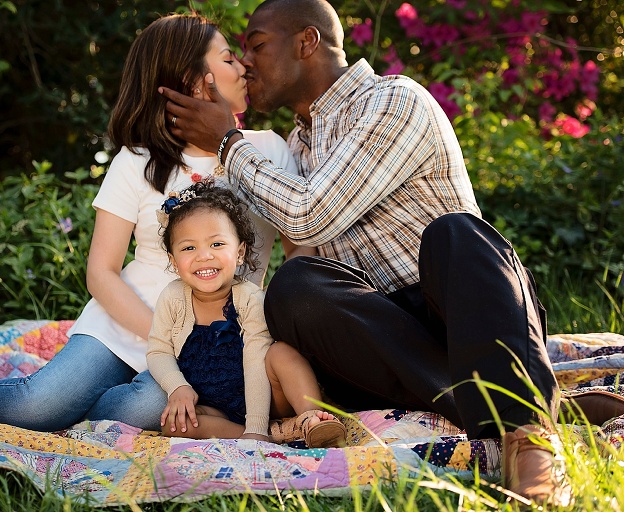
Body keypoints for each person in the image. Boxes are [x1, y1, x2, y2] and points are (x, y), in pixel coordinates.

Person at [158, 0, 624, 504]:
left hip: (471, 314)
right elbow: (303, 250)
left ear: (306, 42)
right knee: (293, 289)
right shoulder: (295, 144)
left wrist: (228, 139)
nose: (246, 62)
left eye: (257, 45)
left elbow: (308, 213)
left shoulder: (394, 102)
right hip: (384, 340)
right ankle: (535, 400)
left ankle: (531, 441)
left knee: (457, 233)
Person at [0, 14, 301, 436]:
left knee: (137, 411)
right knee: (41, 403)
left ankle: (71, 416)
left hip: (212, 347)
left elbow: (297, 256)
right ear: (192, 82)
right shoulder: (140, 161)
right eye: (227, 59)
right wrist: (166, 336)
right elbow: (101, 272)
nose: (242, 66)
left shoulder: (267, 151)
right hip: (125, 325)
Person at [147, 180, 346, 448]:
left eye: (217, 244)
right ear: (173, 260)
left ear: (239, 252)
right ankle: (266, 435)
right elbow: (159, 351)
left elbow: (255, 362)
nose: (204, 256)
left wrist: (257, 424)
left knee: (282, 353)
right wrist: (178, 387)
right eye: (188, 248)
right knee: (174, 424)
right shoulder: (172, 297)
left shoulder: (249, 298)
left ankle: (310, 417)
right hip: (215, 407)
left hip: (268, 398)